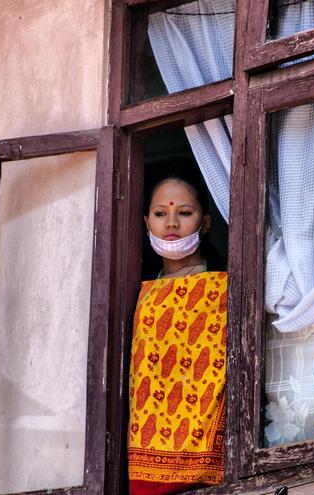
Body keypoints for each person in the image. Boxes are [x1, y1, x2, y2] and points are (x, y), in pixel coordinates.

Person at [127, 164, 227, 494]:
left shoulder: (224, 287)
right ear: (145, 222)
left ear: (206, 221)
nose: (171, 223)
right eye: (160, 213)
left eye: (184, 213)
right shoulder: (137, 293)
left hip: (213, 460)